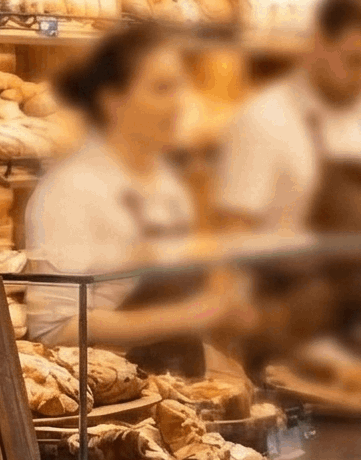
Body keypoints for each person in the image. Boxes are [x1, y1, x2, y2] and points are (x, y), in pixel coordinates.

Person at [215, 0, 361, 350]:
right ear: (319, 42)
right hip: (288, 343)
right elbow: (231, 244)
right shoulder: (265, 120)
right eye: (354, 61)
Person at [21, 22, 244, 353]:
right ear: (114, 102)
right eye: (162, 89)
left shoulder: (167, 184)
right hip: (112, 391)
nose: (179, 104)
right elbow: (55, 330)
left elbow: (173, 321)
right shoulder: (70, 191)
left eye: (180, 88)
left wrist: (216, 363)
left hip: (171, 384)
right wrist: (194, 315)